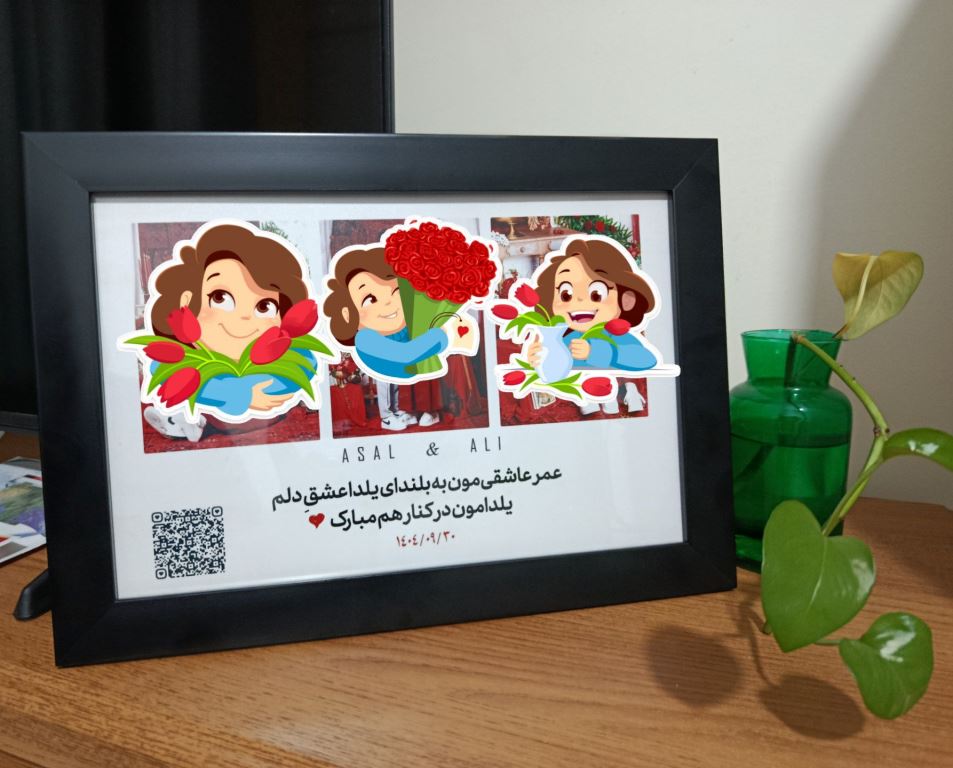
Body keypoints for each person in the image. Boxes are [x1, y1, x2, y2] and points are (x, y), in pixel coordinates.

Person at [140, 221, 315, 441]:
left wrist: (243, 392)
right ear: (187, 300)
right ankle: (181, 421)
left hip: (255, 416)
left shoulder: (285, 351)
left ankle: (189, 423)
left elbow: (306, 365)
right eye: (220, 297)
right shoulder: (190, 348)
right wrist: (238, 393)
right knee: (195, 393)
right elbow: (160, 367)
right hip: (219, 412)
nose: (244, 316)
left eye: (264, 306)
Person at [323, 245, 474, 430]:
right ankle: (387, 416)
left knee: (396, 381)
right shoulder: (365, 336)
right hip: (386, 349)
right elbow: (405, 353)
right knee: (386, 378)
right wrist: (438, 337)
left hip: (397, 342)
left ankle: (397, 411)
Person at [525, 236, 658, 415]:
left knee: (611, 390)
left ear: (625, 300)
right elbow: (554, 363)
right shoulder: (565, 335)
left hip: (607, 381)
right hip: (582, 385)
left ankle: (629, 390)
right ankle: (595, 394)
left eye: (596, 293)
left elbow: (646, 359)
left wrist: (596, 352)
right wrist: (536, 358)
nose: (579, 300)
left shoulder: (613, 332)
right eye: (566, 294)